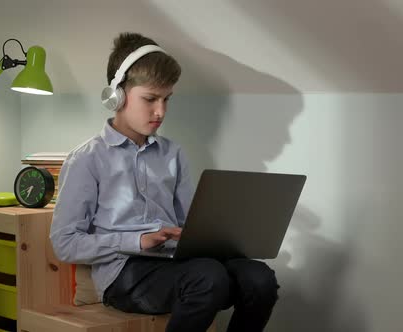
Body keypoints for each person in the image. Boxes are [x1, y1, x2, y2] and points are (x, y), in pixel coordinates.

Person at [50, 32, 279, 332]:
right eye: (150, 99)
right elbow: (65, 244)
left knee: (260, 279)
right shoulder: (86, 159)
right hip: (124, 274)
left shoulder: (173, 153)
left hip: (179, 262)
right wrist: (137, 240)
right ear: (116, 95)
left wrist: (227, 233)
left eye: (167, 99)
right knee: (208, 277)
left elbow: (189, 224)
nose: (161, 111)